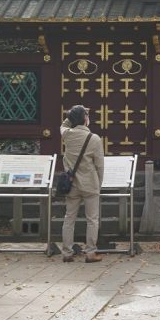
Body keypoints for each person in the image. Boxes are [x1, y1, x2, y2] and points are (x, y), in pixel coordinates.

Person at [60, 104, 105, 263]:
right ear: (85, 119)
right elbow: (99, 164)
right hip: (90, 184)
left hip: (71, 184)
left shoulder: (67, 135)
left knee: (69, 217)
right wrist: (99, 183)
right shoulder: (94, 139)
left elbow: (63, 125)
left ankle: (66, 252)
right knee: (92, 219)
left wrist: (73, 114)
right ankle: (90, 252)